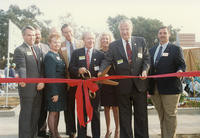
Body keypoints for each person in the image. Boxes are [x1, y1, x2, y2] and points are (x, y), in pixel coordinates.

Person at [99, 19, 150, 138]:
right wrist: (101, 71)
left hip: (140, 85)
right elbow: (107, 60)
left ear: (131, 29)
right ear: (119, 31)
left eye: (127, 29)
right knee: (124, 117)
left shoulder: (141, 41)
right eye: (122, 29)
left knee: (141, 116)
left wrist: (145, 70)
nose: (125, 31)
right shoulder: (113, 45)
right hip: (123, 87)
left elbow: (147, 58)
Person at [149, 26, 186, 138]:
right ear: (157, 35)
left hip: (171, 88)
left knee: (170, 115)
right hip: (155, 88)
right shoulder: (152, 50)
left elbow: (182, 65)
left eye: (165, 33)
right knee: (162, 116)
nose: (162, 35)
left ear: (169, 35)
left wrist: (180, 71)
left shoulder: (175, 49)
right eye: (160, 33)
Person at [69, 32, 104, 138]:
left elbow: (103, 69)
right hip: (81, 89)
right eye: (88, 39)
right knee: (81, 113)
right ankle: (81, 135)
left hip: (94, 89)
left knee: (95, 114)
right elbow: (70, 68)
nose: (91, 41)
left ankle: (96, 136)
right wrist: (78, 70)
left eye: (93, 39)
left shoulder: (100, 54)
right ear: (83, 40)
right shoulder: (76, 53)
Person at [13, 26, 44, 138]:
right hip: (26, 89)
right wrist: (23, 79)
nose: (32, 37)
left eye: (34, 35)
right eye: (29, 35)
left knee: (35, 116)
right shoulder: (20, 50)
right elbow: (21, 67)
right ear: (23, 36)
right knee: (26, 116)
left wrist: (42, 81)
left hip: (39, 89)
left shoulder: (38, 49)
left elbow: (42, 68)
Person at [59, 24, 83, 138]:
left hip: (81, 79)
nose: (68, 34)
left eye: (69, 31)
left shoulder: (81, 43)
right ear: (62, 34)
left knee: (81, 106)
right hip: (68, 80)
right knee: (69, 107)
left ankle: (82, 131)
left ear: (73, 31)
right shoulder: (61, 46)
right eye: (65, 32)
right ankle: (71, 131)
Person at [44, 33, 67, 138]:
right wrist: (54, 92)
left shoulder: (58, 55)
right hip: (54, 90)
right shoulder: (49, 56)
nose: (57, 44)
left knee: (57, 112)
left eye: (58, 42)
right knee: (53, 112)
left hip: (60, 89)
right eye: (54, 42)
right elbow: (50, 76)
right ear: (49, 43)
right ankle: (53, 134)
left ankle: (56, 132)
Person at [98, 32, 119, 138]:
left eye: (107, 39)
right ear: (100, 41)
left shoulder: (114, 51)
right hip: (104, 84)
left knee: (116, 107)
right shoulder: (98, 53)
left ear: (110, 39)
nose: (105, 40)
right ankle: (108, 130)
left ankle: (117, 130)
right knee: (106, 107)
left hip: (114, 83)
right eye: (103, 39)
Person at [35, 27, 50, 137]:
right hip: (32, 82)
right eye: (35, 34)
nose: (37, 36)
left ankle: (42, 130)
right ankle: (33, 130)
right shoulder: (28, 47)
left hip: (45, 82)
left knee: (44, 108)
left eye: (39, 34)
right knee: (34, 108)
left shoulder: (46, 47)